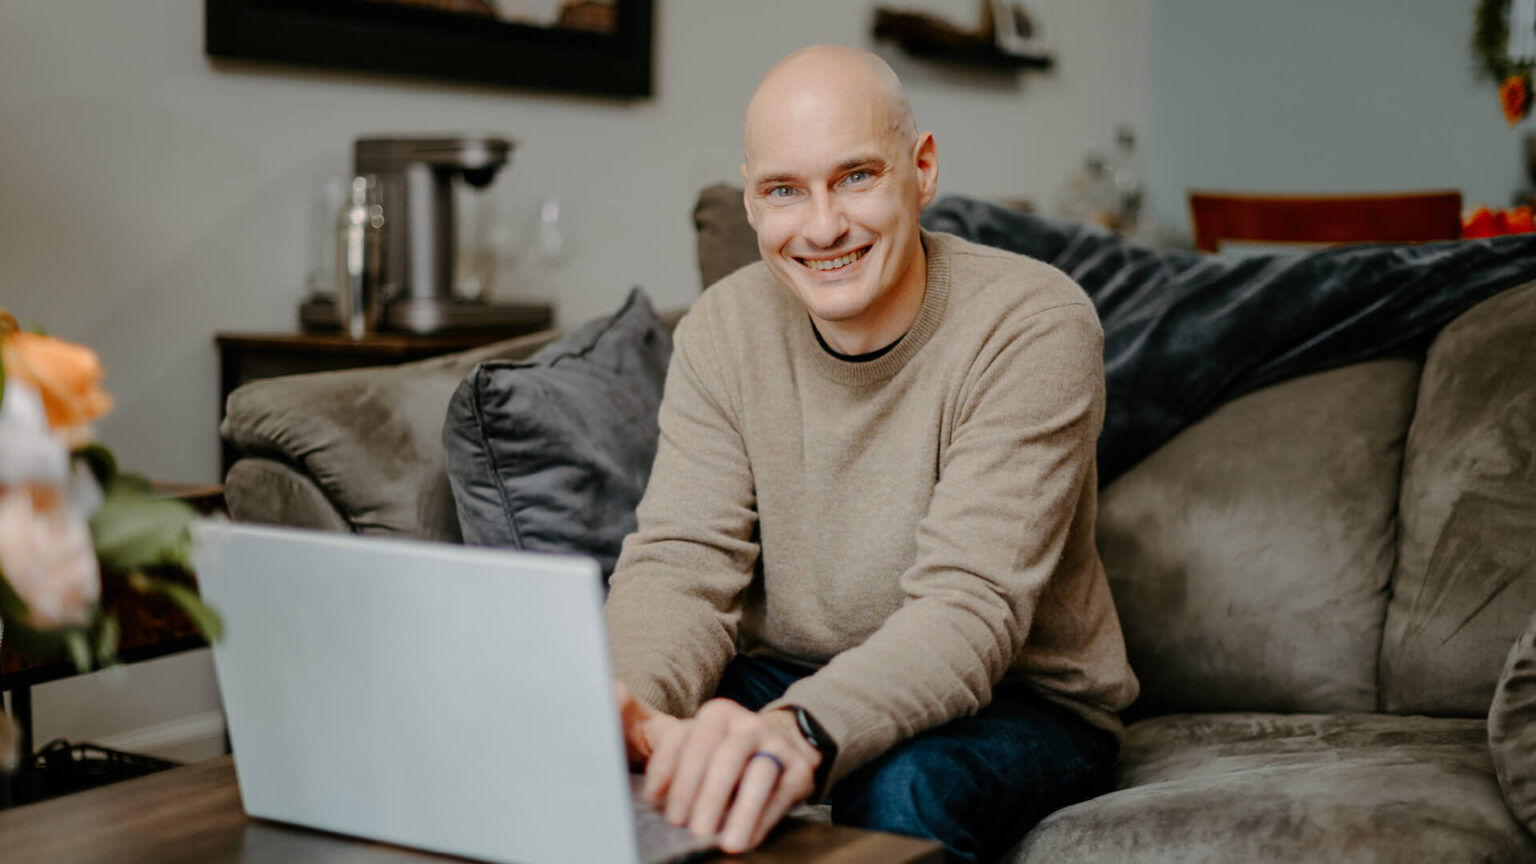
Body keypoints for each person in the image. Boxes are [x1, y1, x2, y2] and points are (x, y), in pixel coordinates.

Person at [605, 44, 1138, 863]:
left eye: (855, 177)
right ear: (750, 200)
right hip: (788, 670)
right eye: (785, 190)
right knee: (624, 757)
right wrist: (628, 712)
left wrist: (800, 732)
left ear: (921, 171)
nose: (823, 227)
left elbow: (970, 609)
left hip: (1020, 697)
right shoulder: (722, 328)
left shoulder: (1034, 323)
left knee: (899, 787)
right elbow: (680, 562)